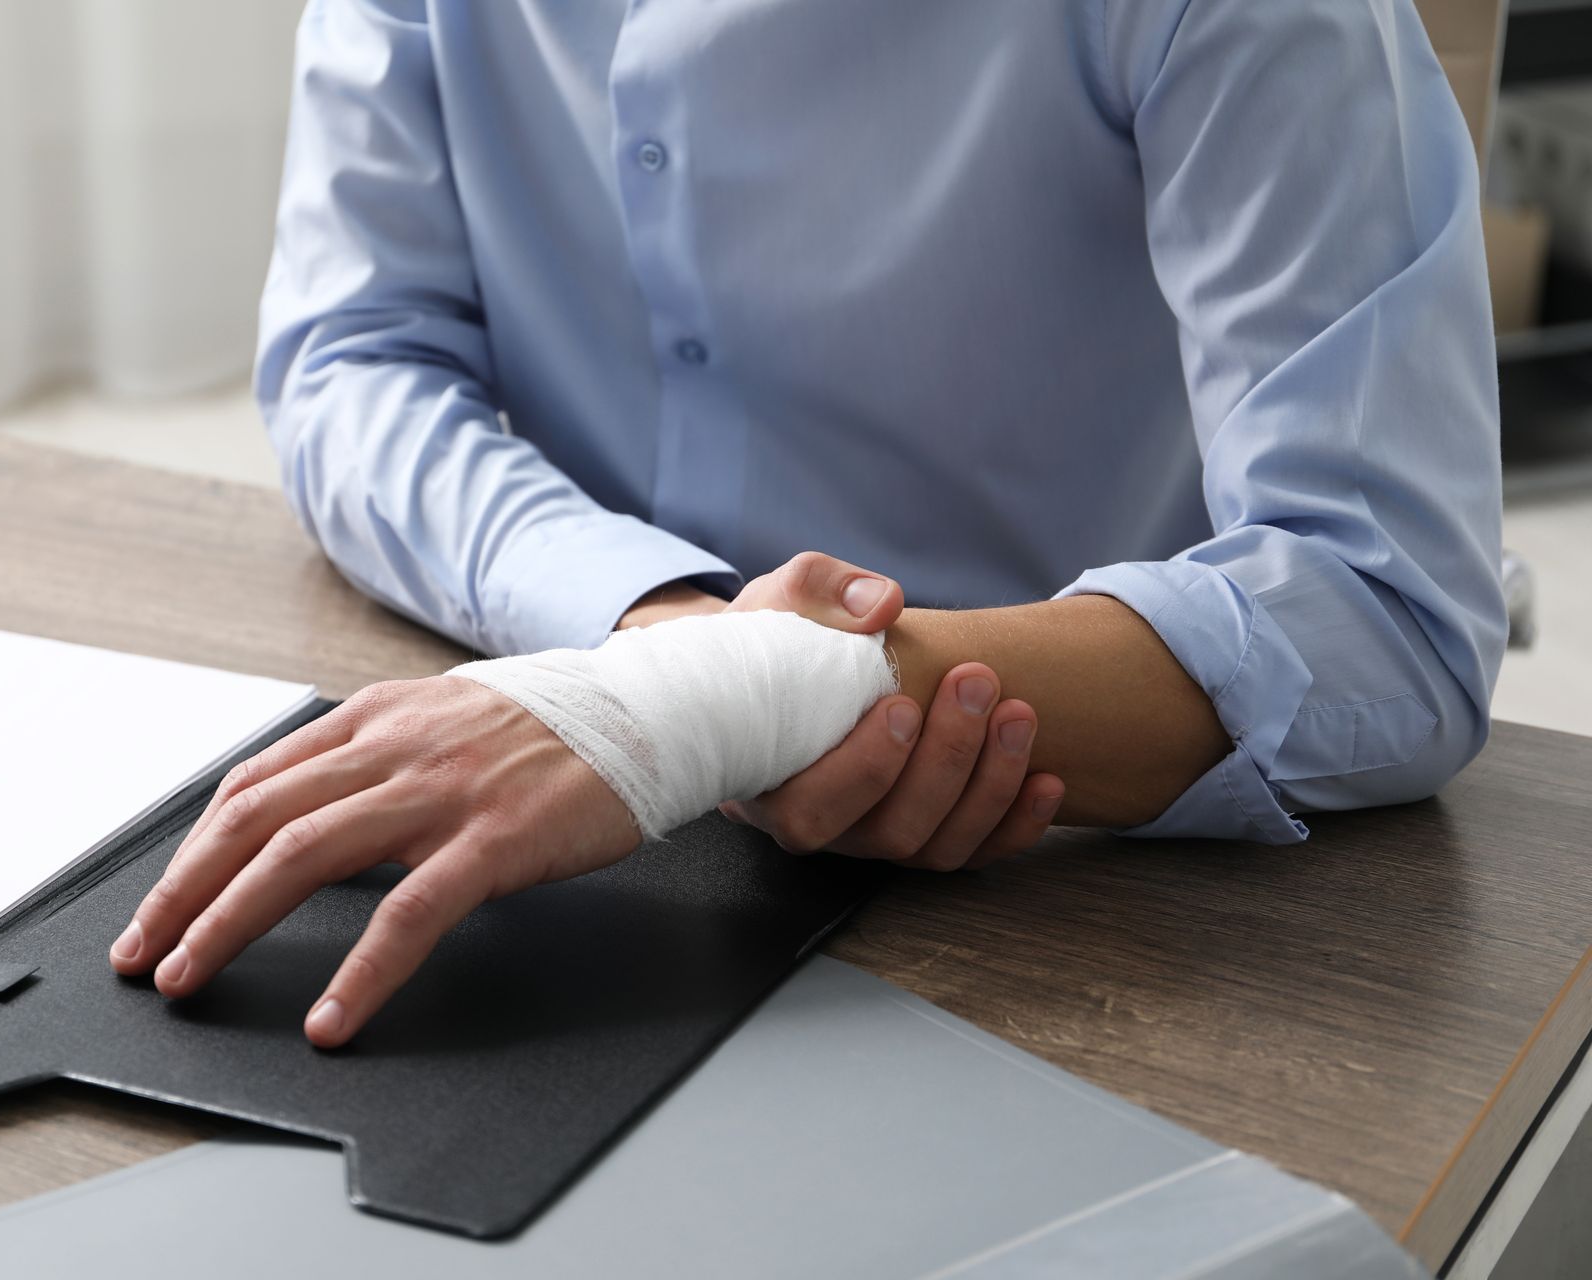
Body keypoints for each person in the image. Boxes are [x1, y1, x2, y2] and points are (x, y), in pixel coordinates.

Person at [110, 0, 1506, 1048]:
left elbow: (1388, 608)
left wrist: (755, 695)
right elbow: (354, 359)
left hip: (1081, 898)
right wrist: (659, 645)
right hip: (580, 795)